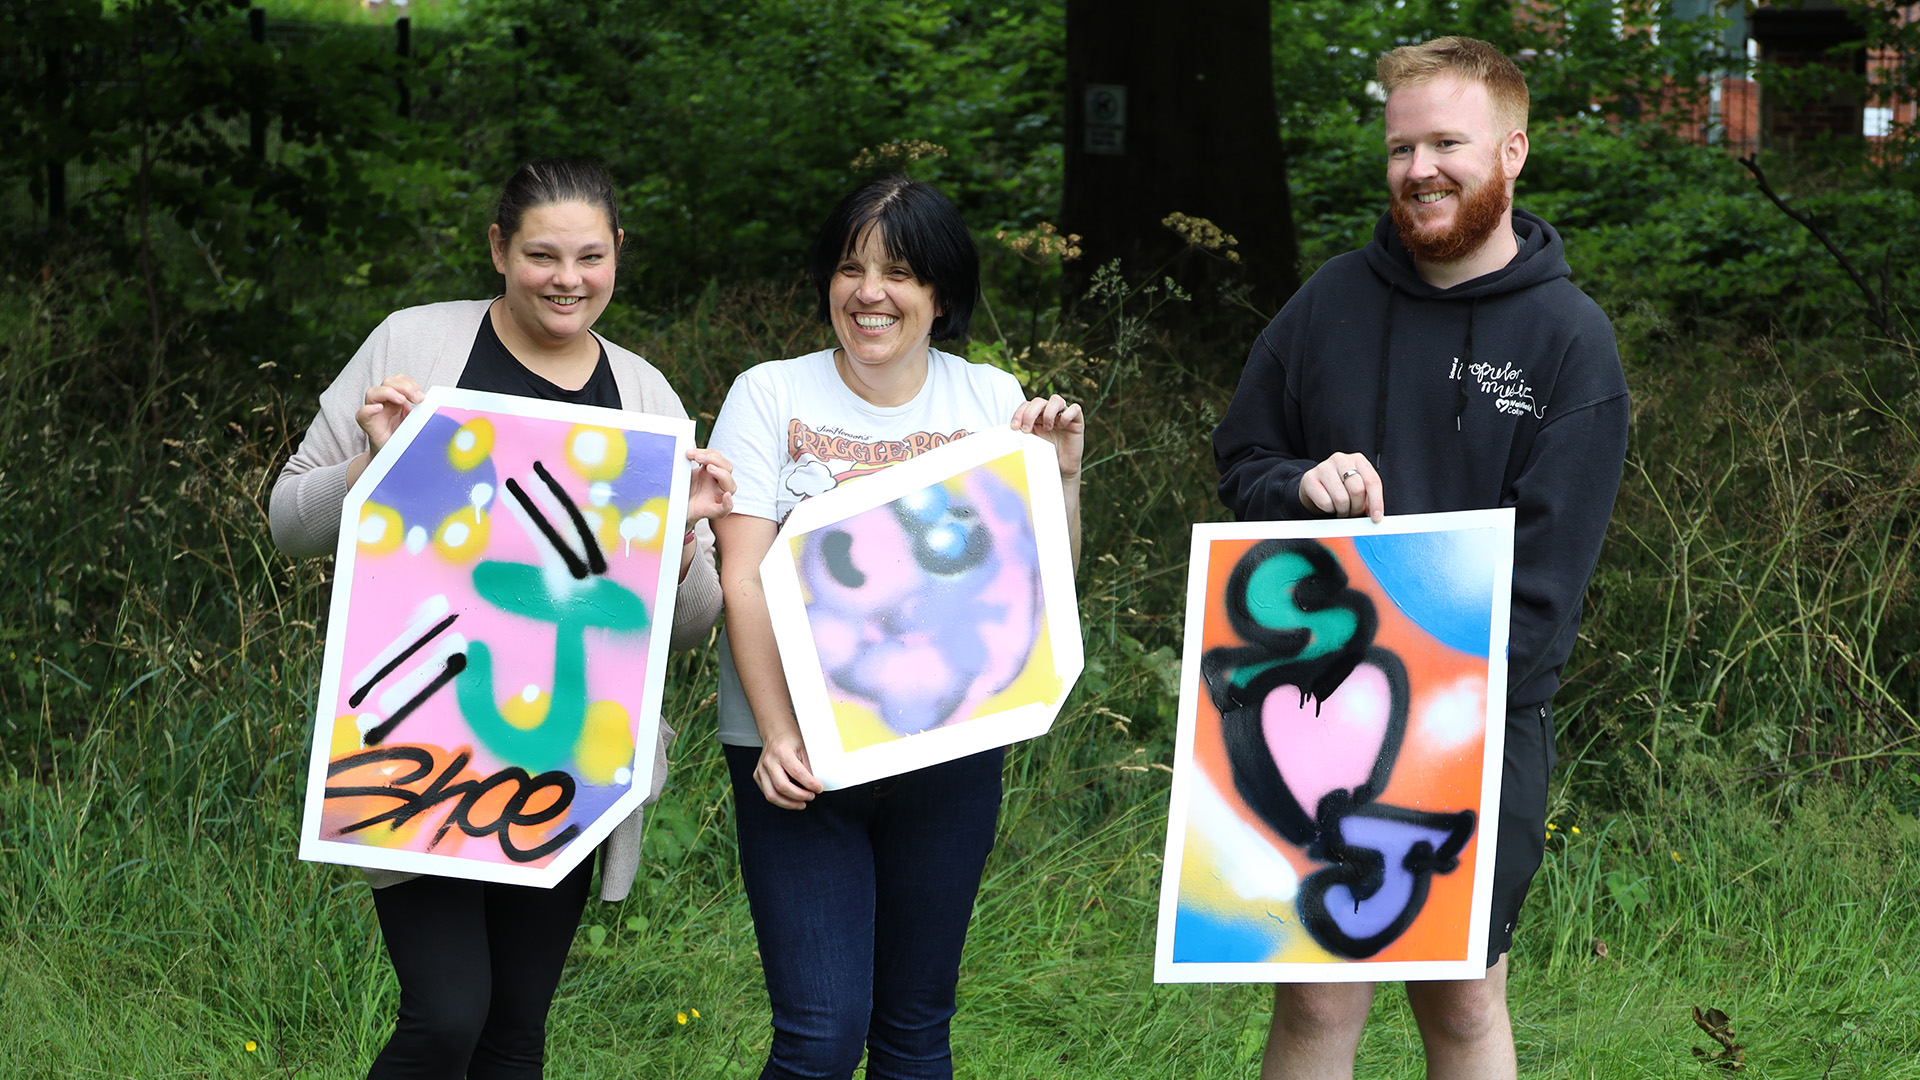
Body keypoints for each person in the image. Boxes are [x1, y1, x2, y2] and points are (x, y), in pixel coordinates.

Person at [1213, 37, 1629, 1080]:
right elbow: (1244, 462)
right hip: (1313, 711)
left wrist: (1442, 709)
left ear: (1513, 150)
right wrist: (1298, 486)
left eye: (1448, 141)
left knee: (1461, 1000)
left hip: (1479, 723)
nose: (1420, 169)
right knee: (1313, 996)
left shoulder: (1570, 341)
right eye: (1402, 147)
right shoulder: (1327, 306)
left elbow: (1547, 581)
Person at [268, 158, 735, 1079]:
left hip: (566, 760)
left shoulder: (643, 399)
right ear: (498, 249)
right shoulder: (413, 346)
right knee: (447, 1017)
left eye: (590, 256)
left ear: (617, 256)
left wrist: (678, 542)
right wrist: (376, 466)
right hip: (420, 746)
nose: (568, 278)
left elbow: (686, 626)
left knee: (516, 1033)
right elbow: (288, 523)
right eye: (542, 254)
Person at [707, 175, 1084, 1080]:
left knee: (916, 1033)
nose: (869, 292)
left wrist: (1062, 474)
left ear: (940, 294)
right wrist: (779, 734)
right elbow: (744, 575)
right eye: (850, 268)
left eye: (900, 273)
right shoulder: (769, 395)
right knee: (820, 1037)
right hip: (796, 761)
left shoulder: (990, 396)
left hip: (947, 757)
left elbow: (1043, 584)